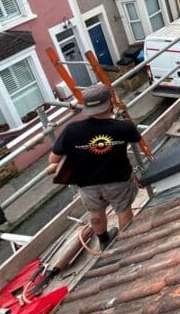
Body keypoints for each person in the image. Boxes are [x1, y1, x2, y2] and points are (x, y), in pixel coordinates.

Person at [48, 84, 142, 251]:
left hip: (87, 183)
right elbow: (136, 139)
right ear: (110, 103)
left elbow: (52, 159)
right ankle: (126, 243)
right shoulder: (123, 127)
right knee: (123, 209)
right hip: (118, 179)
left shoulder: (71, 130)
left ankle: (104, 241)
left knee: (96, 212)